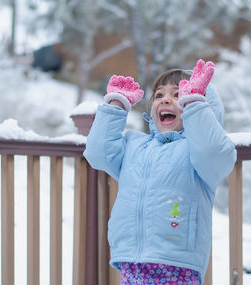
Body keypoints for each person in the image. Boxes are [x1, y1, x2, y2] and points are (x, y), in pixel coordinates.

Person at [83, 59, 237, 284]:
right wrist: (116, 106)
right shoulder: (136, 146)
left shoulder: (195, 153)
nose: (166, 99)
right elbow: (98, 154)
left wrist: (193, 102)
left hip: (177, 265)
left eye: (178, 94)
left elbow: (213, 152)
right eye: (159, 95)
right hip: (132, 262)